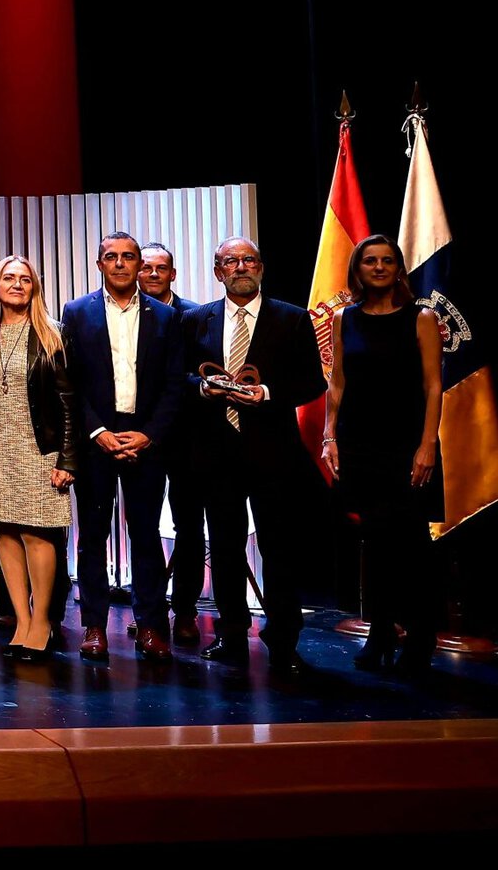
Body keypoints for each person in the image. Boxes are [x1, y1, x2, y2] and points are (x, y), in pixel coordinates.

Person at [182, 237, 327, 673]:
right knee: (225, 549)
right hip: (215, 452)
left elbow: (313, 382)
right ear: (217, 271)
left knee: (279, 549)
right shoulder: (194, 320)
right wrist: (202, 387)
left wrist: (267, 392)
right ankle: (231, 636)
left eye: (248, 260)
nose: (240, 267)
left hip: (273, 452)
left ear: (261, 268)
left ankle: (283, 639)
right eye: (231, 261)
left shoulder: (293, 318)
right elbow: (181, 376)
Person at [324, 235, 445, 678]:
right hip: (359, 444)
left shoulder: (422, 318)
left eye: (387, 261)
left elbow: (434, 385)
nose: (378, 267)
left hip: (408, 444)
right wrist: (329, 436)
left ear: (399, 269)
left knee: (411, 545)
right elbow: (338, 381)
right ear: (358, 269)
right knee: (373, 543)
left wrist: (427, 442)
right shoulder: (344, 318)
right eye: (370, 261)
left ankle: (420, 638)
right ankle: (379, 634)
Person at [61, 232, 184, 664]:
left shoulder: (166, 318)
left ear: (138, 265)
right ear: (99, 264)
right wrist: (97, 431)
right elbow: (70, 382)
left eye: (127, 257)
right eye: (110, 257)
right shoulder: (76, 312)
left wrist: (149, 434)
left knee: (146, 536)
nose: (119, 264)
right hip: (97, 438)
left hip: (145, 439)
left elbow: (174, 385)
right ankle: (94, 625)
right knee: (92, 536)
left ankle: (150, 625)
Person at [0, 257, 77, 661]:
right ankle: (21, 619)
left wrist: (67, 459)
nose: (17, 285)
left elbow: (69, 403)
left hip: (38, 448)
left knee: (37, 533)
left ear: (35, 287)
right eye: (9, 278)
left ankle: (43, 621)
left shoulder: (52, 334)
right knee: (7, 534)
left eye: (24, 279)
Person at [140, 243, 209, 645]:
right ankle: (148, 610)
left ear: (172, 274)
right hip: (141, 440)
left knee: (189, 528)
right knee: (144, 529)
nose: (151, 274)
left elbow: (194, 375)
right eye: (145, 267)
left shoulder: (195, 316)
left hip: (185, 439)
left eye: (159, 268)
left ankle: (185, 610)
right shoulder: (123, 314)